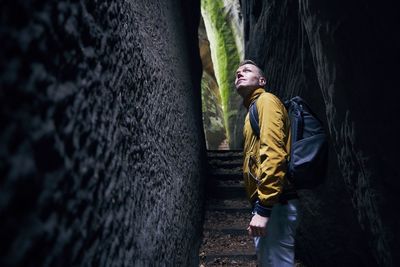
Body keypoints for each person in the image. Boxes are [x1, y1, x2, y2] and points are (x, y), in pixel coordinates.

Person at [235, 60, 299, 266]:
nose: (239, 74)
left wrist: (264, 209)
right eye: (237, 72)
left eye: (247, 70)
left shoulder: (266, 102)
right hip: (269, 202)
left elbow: (273, 153)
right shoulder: (254, 108)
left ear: (261, 80)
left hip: (275, 202)